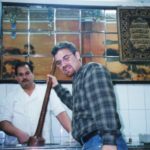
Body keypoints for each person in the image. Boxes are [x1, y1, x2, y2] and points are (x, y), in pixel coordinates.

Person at [49, 41, 128, 150]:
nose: (63, 64)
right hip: (92, 142)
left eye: (66, 58)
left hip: (100, 142)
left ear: (77, 55)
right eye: (59, 62)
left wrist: (109, 142)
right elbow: (76, 105)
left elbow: (104, 108)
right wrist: (57, 86)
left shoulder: (92, 70)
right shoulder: (79, 78)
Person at [0, 61, 72, 145]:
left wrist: (74, 134)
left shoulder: (47, 91)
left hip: (44, 146)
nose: (24, 77)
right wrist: (19, 134)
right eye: (20, 74)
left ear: (32, 75)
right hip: (19, 146)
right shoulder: (10, 96)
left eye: (27, 73)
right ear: (16, 77)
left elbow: (60, 114)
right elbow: (3, 123)